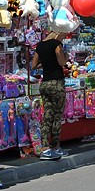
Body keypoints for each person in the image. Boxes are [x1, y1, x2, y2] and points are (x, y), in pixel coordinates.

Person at [30, 31, 69, 160]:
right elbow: (61, 62)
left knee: (47, 116)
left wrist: (46, 63)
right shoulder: (57, 44)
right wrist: (66, 56)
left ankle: (45, 148)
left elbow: (34, 65)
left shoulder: (40, 46)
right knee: (57, 116)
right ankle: (56, 147)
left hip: (44, 84)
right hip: (56, 83)